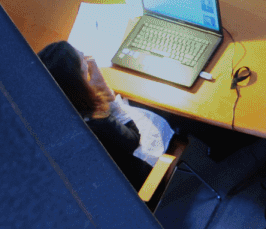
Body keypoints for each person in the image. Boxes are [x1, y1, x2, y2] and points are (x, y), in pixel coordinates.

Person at [37, 41, 172, 190]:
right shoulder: (97, 121)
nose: (83, 55)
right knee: (167, 118)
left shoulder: (46, 119)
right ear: (79, 80)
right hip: (136, 185)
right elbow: (133, 140)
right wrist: (105, 93)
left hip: (92, 183)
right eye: (82, 60)